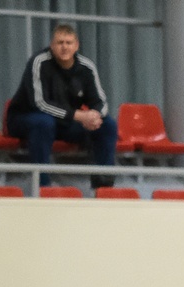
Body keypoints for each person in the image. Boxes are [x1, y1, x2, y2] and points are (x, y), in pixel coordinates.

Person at [6, 23, 117, 189]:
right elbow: (40, 103)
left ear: (76, 45)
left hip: (64, 122)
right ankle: (42, 186)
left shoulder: (86, 67)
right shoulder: (39, 62)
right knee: (44, 122)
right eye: (60, 43)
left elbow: (100, 101)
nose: (64, 47)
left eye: (68, 43)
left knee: (107, 125)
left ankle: (104, 187)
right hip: (25, 118)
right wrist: (79, 116)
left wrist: (95, 117)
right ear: (52, 45)